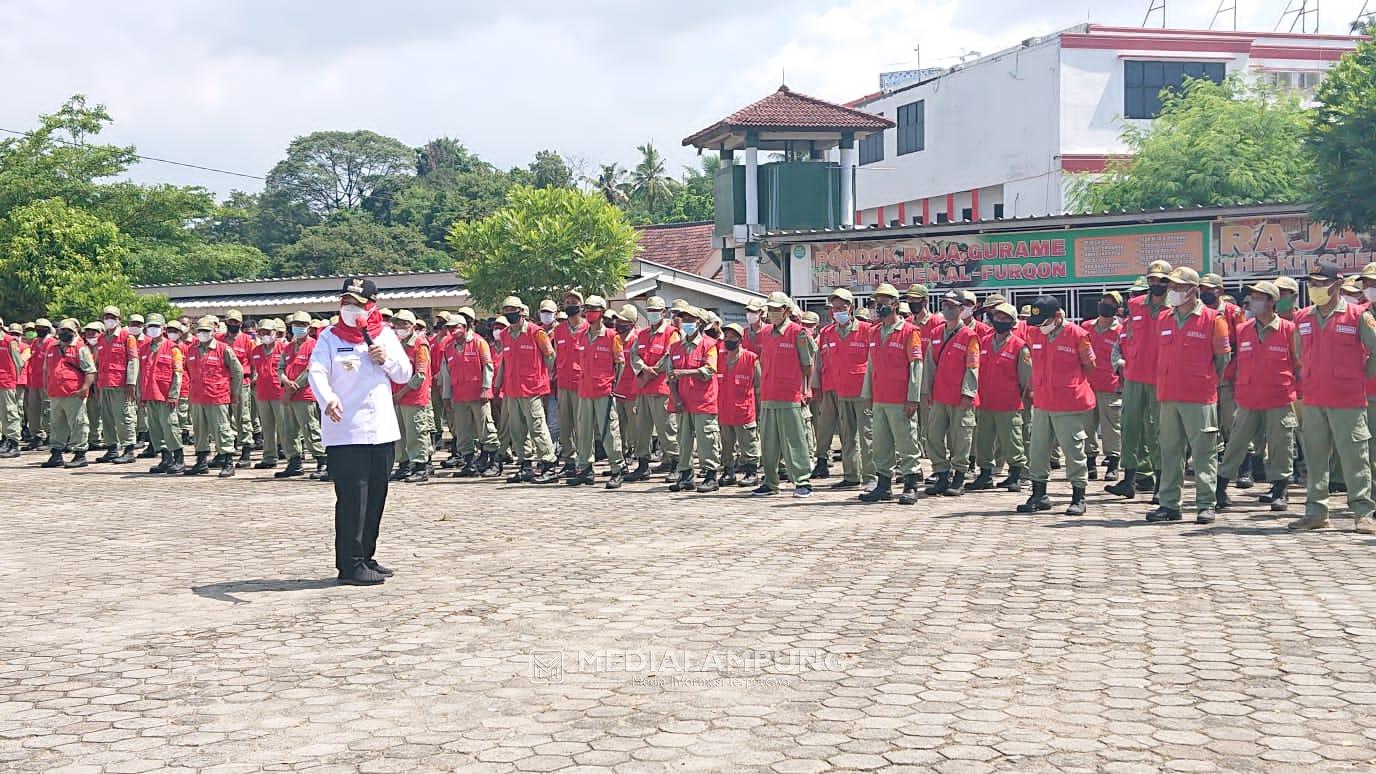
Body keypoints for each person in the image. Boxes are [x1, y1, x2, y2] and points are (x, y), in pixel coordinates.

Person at [308, 277, 413, 585]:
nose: (350, 308)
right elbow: (316, 372)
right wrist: (328, 399)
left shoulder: (385, 335)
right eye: (345, 302)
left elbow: (405, 372)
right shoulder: (328, 337)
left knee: (376, 497)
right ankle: (349, 563)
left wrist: (387, 359)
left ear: (371, 306)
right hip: (346, 432)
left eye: (357, 303)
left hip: (380, 431)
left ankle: (366, 555)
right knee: (353, 499)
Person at [1289, 261, 1376, 534]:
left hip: (1348, 399)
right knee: (1315, 459)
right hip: (1314, 399)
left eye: (1320, 283)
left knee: (1355, 458)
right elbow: (1299, 354)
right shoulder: (1302, 317)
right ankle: (1316, 512)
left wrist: (1362, 373)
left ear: (1337, 285)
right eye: (1312, 284)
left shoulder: (1357, 315)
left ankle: (1363, 512)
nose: (1314, 288)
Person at [1147, 267, 1231, 524]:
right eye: (1171, 287)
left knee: (1203, 452)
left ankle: (1206, 503)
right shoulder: (1164, 319)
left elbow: (1222, 359)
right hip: (1169, 396)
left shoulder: (1213, 319)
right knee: (1170, 450)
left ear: (1193, 290)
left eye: (1179, 287)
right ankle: (1169, 504)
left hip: (1199, 396)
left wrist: (1204, 381)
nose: (1172, 291)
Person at [1216, 281, 1297, 513]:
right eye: (1252, 296)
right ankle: (1220, 487)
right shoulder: (1243, 330)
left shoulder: (1288, 330)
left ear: (1272, 302)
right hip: (1248, 396)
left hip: (1279, 396)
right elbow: (1236, 362)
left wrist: (1297, 391)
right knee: (1237, 442)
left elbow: (1299, 363)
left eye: (1260, 297)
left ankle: (1280, 490)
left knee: (1281, 443)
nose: (1253, 301)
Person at [1018, 296, 1096, 515]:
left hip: (1069, 402)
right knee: (1038, 449)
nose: (1041, 327)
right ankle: (1038, 494)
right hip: (1042, 401)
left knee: (1073, 450)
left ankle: (1079, 496)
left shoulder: (1078, 335)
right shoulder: (1034, 333)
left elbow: (1090, 366)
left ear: (1058, 317)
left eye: (1045, 321)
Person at [1108, 259, 1172, 501]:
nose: (1156, 284)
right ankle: (1128, 479)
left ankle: (1160, 484)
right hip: (1134, 376)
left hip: (1159, 378)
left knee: (1158, 430)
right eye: (1152, 280)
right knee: (1129, 427)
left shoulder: (1173, 308)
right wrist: (1121, 363)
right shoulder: (1135, 306)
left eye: (1161, 280)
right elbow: (1125, 338)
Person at [859, 283, 924, 504]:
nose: (879, 306)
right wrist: (867, 393)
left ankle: (910, 485)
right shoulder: (874, 332)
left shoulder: (909, 332)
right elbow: (870, 365)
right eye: (877, 302)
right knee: (881, 444)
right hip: (880, 398)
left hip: (900, 399)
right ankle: (883, 485)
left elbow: (916, 366)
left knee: (906, 443)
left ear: (896, 304)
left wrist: (913, 398)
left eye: (884, 302)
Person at [753, 292, 815, 498]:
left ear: (787, 311)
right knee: (769, 443)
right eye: (769, 309)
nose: (771, 313)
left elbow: (807, 365)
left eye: (776, 309)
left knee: (794, 441)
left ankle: (803, 481)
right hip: (769, 396)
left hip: (790, 395)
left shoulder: (799, 333)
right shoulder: (766, 333)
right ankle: (770, 482)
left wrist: (806, 389)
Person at [814, 288, 875, 490]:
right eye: (835, 308)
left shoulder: (867, 330)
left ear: (851, 307)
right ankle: (851, 474)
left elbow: (874, 361)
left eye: (843, 307)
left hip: (864, 392)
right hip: (841, 391)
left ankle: (871, 475)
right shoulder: (827, 333)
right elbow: (821, 363)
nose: (838, 311)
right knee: (847, 436)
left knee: (867, 435)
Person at [969, 303, 1030, 493]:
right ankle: (985, 473)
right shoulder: (984, 341)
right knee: (983, 440)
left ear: (1012, 323)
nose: (999, 321)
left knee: (1012, 440)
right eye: (997, 317)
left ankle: (1015, 475)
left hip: (1009, 403)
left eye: (1004, 319)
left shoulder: (1020, 346)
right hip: (985, 401)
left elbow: (1026, 378)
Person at [925, 290, 980, 496]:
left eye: (952, 306)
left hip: (960, 397)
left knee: (961, 437)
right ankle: (941, 473)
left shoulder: (969, 336)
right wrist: (927, 390)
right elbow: (929, 365)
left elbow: (972, 366)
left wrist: (968, 393)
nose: (947, 309)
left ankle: (959, 476)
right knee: (933, 435)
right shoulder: (936, 333)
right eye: (945, 305)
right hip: (939, 395)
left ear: (961, 309)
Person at [497, 297, 558, 484]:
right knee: (517, 429)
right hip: (513, 389)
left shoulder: (536, 332)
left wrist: (542, 377)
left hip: (532, 389)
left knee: (537, 427)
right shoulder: (505, 334)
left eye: (513, 309)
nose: (510, 313)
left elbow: (550, 356)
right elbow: (505, 362)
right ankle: (525, 465)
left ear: (522, 311)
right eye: (506, 310)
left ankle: (549, 464)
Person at [568, 295, 625, 488]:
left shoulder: (612, 337)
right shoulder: (582, 336)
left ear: (601, 312)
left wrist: (613, 386)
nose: (589, 313)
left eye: (593, 309)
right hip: (585, 390)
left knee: (609, 431)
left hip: (604, 390)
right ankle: (584, 469)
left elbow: (620, 364)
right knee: (583, 431)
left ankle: (617, 469)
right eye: (587, 309)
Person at [665, 306, 719, 493]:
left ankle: (711, 475)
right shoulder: (675, 347)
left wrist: (684, 373)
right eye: (684, 319)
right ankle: (686, 475)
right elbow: (670, 375)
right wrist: (676, 397)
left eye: (690, 319)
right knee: (684, 439)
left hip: (704, 400)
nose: (686, 322)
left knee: (706, 439)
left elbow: (709, 370)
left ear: (700, 323)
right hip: (683, 401)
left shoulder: (709, 345)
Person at [441, 309, 500, 478]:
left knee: (485, 428)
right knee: (463, 431)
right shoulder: (449, 348)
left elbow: (488, 367)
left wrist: (485, 388)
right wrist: (446, 396)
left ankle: (494, 462)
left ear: (465, 327)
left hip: (478, 394)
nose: (453, 330)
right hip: (459, 396)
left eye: (456, 327)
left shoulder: (478, 342)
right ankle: (468, 463)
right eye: (450, 328)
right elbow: (446, 374)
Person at [184, 315, 244, 478]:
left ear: (213, 332)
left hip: (217, 396)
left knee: (222, 429)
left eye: (206, 331)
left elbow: (237, 371)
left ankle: (228, 462)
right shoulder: (191, 350)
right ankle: (201, 461)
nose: (203, 333)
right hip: (197, 397)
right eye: (200, 331)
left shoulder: (223, 349)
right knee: (199, 430)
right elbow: (188, 371)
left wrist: (235, 392)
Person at [628, 296, 680, 479]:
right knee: (641, 429)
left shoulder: (672, 333)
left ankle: (675, 464)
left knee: (666, 428)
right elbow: (634, 355)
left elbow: (669, 356)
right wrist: (642, 368)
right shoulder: (642, 334)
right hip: (643, 387)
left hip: (661, 388)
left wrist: (652, 371)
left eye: (655, 311)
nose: (652, 314)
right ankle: (642, 465)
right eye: (649, 310)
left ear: (663, 312)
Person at [383, 310, 433, 483]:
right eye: (397, 324)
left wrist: (401, 392)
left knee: (416, 433)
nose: (400, 327)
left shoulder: (420, 344)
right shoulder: (396, 344)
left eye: (404, 324)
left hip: (413, 397)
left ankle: (421, 466)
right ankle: (403, 465)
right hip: (397, 398)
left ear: (412, 326)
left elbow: (420, 375)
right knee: (400, 434)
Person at [40, 319, 97, 469]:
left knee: (78, 423)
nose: (65, 333)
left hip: (74, 393)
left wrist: (85, 388)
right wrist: (47, 387)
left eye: (69, 331)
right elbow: (46, 370)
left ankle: (80, 453)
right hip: (55, 393)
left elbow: (90, 371)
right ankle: (57, 453)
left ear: (75, 332)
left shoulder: (80, 348)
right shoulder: (52, 348)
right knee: (56, 425)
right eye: (62, 330)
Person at [276, 311, 326, 479]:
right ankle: (294, 461)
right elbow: (281, 367)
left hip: (304, 394)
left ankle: (322, 460)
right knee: (288, 430)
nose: (298, 328)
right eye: (296, 324)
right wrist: (284, 381)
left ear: (309, 327)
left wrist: (292, 387)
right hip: (288, 395)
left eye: (302, 325)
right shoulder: (288, 347)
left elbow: (310, 369)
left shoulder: (314, 345)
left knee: (310, 429)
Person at [1081, 292, 1124, 481]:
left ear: (1117, 308)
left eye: (1111, 303)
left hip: (1111, 386)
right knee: (1086, 427)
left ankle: (1112, 464)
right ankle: (1090, 463)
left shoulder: (1120, 330)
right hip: (1087, 385)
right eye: (1103, 301)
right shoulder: (1086, 327)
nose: (1105, 305)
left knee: (1111, 427)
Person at [92, 305, 139, 464]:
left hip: (121, 384)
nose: (108, 320)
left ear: (119, 319)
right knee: (107, 418)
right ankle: (111, 448)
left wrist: (131, 382)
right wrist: (96, 384)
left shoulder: (127, 337)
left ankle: (129, 449)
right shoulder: (101, 338)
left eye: (112, 317)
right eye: (106, 317)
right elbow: (97, 363)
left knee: (124, 417)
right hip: (104, 383)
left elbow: (133, 360)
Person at [138, 314, 185, 474]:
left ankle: (179, 459)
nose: (153, 330)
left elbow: (178, 373)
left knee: (170, 426)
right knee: (156, 429)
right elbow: (141, 373)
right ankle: (166, 459)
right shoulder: (144, 348)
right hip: (150, 394)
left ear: (163, 328)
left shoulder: (173, 348)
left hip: (166, 395)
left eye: (156, 327)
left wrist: (174, 394)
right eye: (150, 326)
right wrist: (141, 395)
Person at [716, 323, 761, 488]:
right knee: (726, 444)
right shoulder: (720, 358)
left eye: (733, 337)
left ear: (740, 339)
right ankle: (728, 472)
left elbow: (759, 385)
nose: (728, 340)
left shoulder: (751, 358)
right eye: (726, 337)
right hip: (724, 410)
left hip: (744, 410)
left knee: (748, 443)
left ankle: (751, 472)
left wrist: (759, 409)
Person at [551, 290, 586, 476]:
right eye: (567, 301)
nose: (570, 304)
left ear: (581, 306)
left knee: (582, 427)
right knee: (565, 426)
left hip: (582, 384)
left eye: (574, 301)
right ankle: (569, 462)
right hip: (563, 384)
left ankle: (584, 462)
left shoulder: (588, 329)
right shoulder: (559, 330)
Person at [219, 309, 255, 468]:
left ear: (241, 323)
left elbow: (255, 363)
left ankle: (246, 450)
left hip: (242, 383)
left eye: (235, 322)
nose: (232, 324)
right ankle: (227, 450)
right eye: (230, 321)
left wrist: (253, 380)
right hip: (223, 383)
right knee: (224, 418)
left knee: (243, 416)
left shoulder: (248, 340)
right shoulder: (219, 339)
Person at [248, 318, 286, 470]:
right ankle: (269, 457)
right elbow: (255, 370)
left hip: (279, 392)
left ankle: (291, 456)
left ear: (275, 333)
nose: (264, 335)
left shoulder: (283, 348)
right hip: (262, 393)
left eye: (267, 332)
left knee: (284, 426)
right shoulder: (256, 351)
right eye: (261, 332)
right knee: (267, 427)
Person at [609, 304, 640, 470]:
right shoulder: (615, 339)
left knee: (633, 425)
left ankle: (634, 452)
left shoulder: (636, 340)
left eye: (623, 321)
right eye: (618, 321)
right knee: (618, 425)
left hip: (632, 390)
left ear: (631, 324)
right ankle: (622, 452)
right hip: (617, 390)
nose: (618, 324)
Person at [24, 318, 52, 450]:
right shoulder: (35, 342)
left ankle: (50, 436)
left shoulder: (52, 343)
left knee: (47, 410)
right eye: (37, 328)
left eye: (42, 327)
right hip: (34, 382)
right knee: (33, 410)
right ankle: (37, 436)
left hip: (46, 382)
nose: (39, 330)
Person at [0, 317, 21, 457]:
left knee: (10, 412)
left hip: (6, 381)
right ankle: (5, 439)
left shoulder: (9, 341)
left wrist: (14, 379)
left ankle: (14, 442)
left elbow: (18, 362)